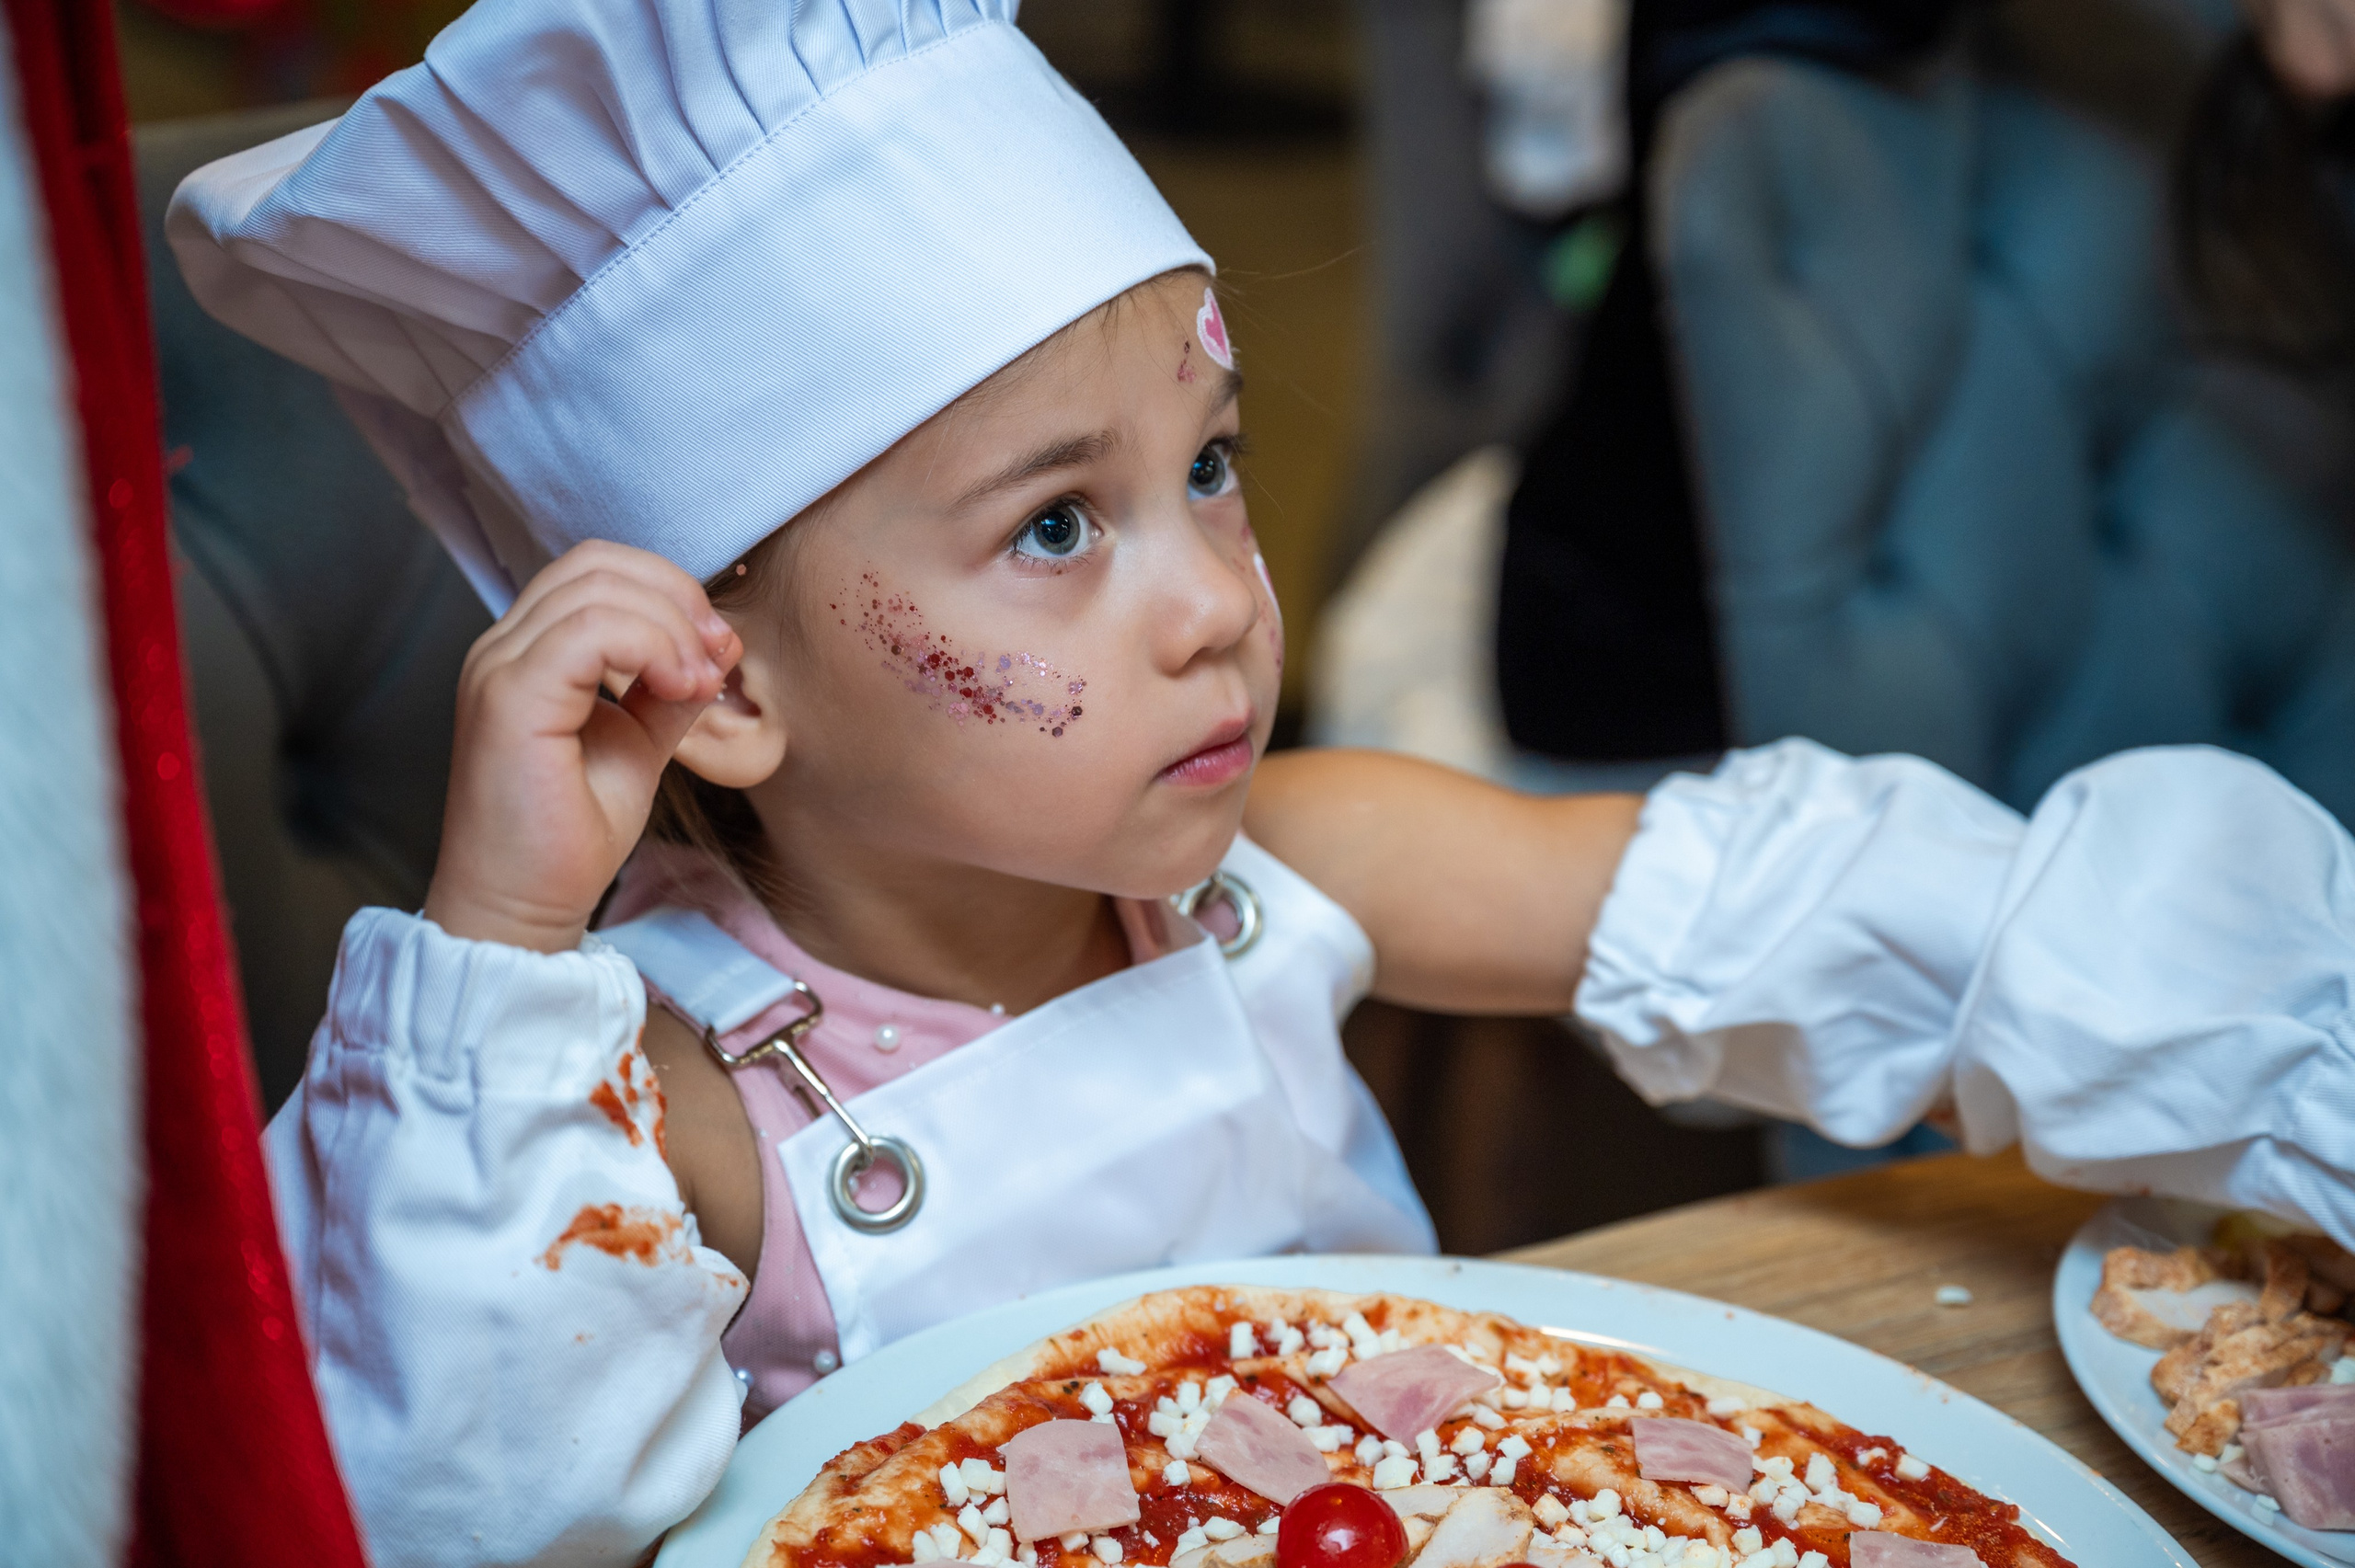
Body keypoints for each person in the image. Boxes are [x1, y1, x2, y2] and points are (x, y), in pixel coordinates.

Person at [170, 2, 2355, 1563]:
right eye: (1056, 528)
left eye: (1205, 471)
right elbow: (447, 1501)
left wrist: (2294, 1040)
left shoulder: (1292, 857)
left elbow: (1826, 901)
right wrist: (500, 954)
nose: (1213, 596)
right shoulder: (671, 1110)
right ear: (719, 685)